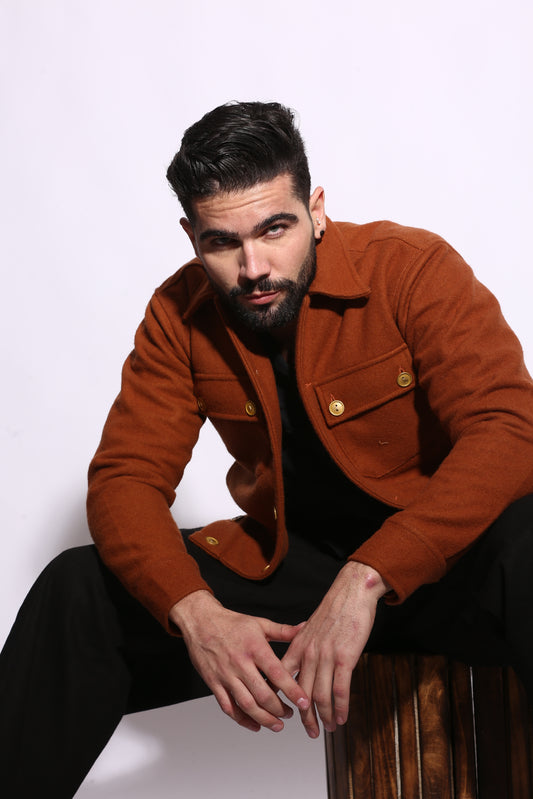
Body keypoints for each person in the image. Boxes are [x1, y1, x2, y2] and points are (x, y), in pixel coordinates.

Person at [2, 101, 533, 798]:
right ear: (191, 237)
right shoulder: (178, 313)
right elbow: (126, 477)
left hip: (446, 573)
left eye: (274, 228)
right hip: (298, 583)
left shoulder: (409, 268)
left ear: (315, 209)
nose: (253, 266)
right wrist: (194, 608)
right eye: (223, 241)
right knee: (78, 591)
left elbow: (507, 427)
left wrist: (371, 572)